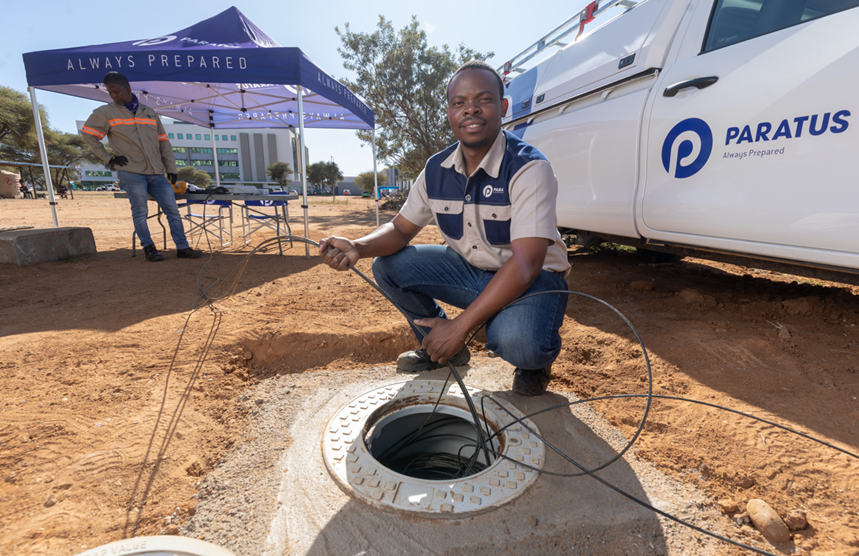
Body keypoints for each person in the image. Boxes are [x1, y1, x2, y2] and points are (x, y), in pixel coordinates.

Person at [320, 60, 570, 396]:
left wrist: (460, 327)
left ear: (503, 107)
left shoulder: (528, 167)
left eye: (483, 100)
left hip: (532, 280)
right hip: (471, 272)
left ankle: (533, 363)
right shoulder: (436, 169)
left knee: (519, 341)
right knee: (388, 266)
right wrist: (358, 247)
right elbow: (400, 230)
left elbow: (527, 264)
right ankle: (440, 348)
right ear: (449, 112)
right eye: (459, 103)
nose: (471, 110)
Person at [81, 71, 201, 262]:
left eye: (117, 91)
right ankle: (149, 248)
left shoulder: (149, 112)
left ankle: (183, 247)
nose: (114, 95)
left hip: (157, 173)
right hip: (131, 171)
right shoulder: (105, 113)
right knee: (140, 212)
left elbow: (163, 142)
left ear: (128, 88)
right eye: (110, 92)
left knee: (172, 211)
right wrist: (109, 158)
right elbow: (88, 135)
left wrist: (171, 168)